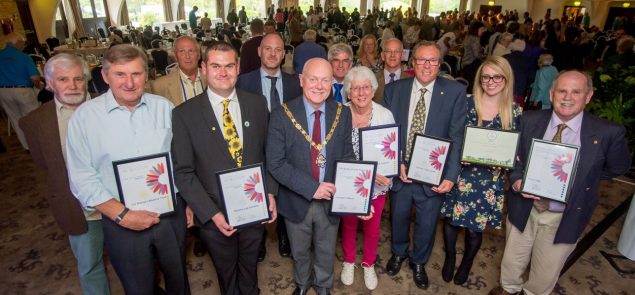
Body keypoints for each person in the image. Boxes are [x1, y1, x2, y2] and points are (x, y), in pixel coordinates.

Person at [488, 70, 631, 295]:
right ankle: (509, 288)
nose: (567, 97)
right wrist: (516, 181)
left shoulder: (607, 133)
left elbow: (618, 168)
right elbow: (514, 159)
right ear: (552, 93)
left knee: (546, 270)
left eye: (576, 92)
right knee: (512, 258)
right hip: (526, 207)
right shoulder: (529, 120)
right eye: (562, 90)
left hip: (564, 214)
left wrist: (580, 178)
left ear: (588, 96)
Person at [66, 44, 192, 294]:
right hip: (120, 218)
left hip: (169, 215)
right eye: (120, 74)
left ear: (147, 75)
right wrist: (122, 215)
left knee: (179, 281)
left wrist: (187, 201)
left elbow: (181, 160)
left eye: (136, 74)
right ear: (104, 76)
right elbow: (82, 178)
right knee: (138, 288)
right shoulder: (84, 118)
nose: (129, 83)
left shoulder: (164, 107)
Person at [172, 41, 277, 295]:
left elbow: (268, 154)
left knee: (250, 268)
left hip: (253, 208)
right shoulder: (184, 114)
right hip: (214, 214)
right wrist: (210, 214)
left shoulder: (258, 104)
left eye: (229, 65)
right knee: (227, 274)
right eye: (216, 66)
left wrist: (270, 192)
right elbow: (183, 172)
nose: (223, 72)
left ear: (238, 67)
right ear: (204, 68)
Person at [19, 53, 110, 295]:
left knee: (138, 258)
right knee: (89, 265)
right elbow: (45, 166)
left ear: (87, 80)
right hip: (78, 207)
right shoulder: (34, 122)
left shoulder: (111, 106)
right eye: (63, 79)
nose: (72, 86)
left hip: (121, 201)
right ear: (49, 83)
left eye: (78, 79)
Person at [381, 41, 467, 290]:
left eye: (432, 60)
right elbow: (386, 132)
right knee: (398, 216)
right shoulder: (394, 90)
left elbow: (456, 136)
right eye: (421, 59)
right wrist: (395, 162)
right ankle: (398, 252)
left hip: (433, 173)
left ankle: (419, 261)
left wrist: (450, 174)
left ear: (440, 64)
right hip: (402, 170)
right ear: (412, 62)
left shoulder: (454, 92)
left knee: (427, 222)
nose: (426, 65)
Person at [267, 58, 354, 295]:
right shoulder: (281, 114)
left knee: (326, 248)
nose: (319, 85)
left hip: (331, 197)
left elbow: (348, 155)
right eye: (313, 79)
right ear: (301, 80)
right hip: (296, 199)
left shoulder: (342, 114)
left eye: (325, 80)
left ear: (332, 82)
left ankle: (324, 284)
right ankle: (303, 283)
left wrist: (358, 194)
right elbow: (275, 163)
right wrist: (311, 187)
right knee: (300, 250)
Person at [440, 56, 522, 286]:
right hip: (459, 174)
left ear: (506, 79)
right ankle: (449, 258)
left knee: (475, 230)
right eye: (485, 76)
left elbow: (516, 150)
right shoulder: (465, 103)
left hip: (488, 181)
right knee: (451, 222)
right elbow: (450, 136)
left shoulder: (514, 112)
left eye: (497, 76)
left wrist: (508, 160)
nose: (491, 81)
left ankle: (466, 262)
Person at [237, 33, 302, 261]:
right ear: (259, 52)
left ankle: (284, 233)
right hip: (253, 148)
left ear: (284, 54)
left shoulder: (296, 83)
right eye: (268, 49)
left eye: (278, 49)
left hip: (287, 150)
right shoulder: (243, 82)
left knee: (285, 192)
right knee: (255, 192)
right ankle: (259, 239)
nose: (273, 54)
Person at [339, 66, 395, 290]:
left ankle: (369, 263)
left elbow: (393, 150)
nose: (361, 93)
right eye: (355, 88)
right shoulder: (339, 113)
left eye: (365, 87)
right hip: (348, 183)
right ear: (348, 92)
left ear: (373, 90)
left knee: (372, 227)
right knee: (349, 223)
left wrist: (386, 175)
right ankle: (349, 261)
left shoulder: (385, 115)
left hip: (377, 185)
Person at [0, 32, 43, 150]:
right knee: (33, 117)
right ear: (17, 43)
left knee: (15, 119)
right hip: (22, 90)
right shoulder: (23, 56)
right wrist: (38, 85)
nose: (23, 45)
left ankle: (27, 147)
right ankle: (39, 144)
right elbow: (35, 78)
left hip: (3, 92)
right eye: (22, 43)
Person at [151, 36, 207, 106]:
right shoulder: (160, 86)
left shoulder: (212, 78)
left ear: (198, 55)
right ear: (175, 56)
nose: (187, 56)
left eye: (191, 51)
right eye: (182, 51)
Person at [373, 38, 412, 103]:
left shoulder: (411, 81)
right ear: (382, 56)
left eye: (396, 51)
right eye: (388, 51)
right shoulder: (372, 80)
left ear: (402, 56)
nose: (392, 55)